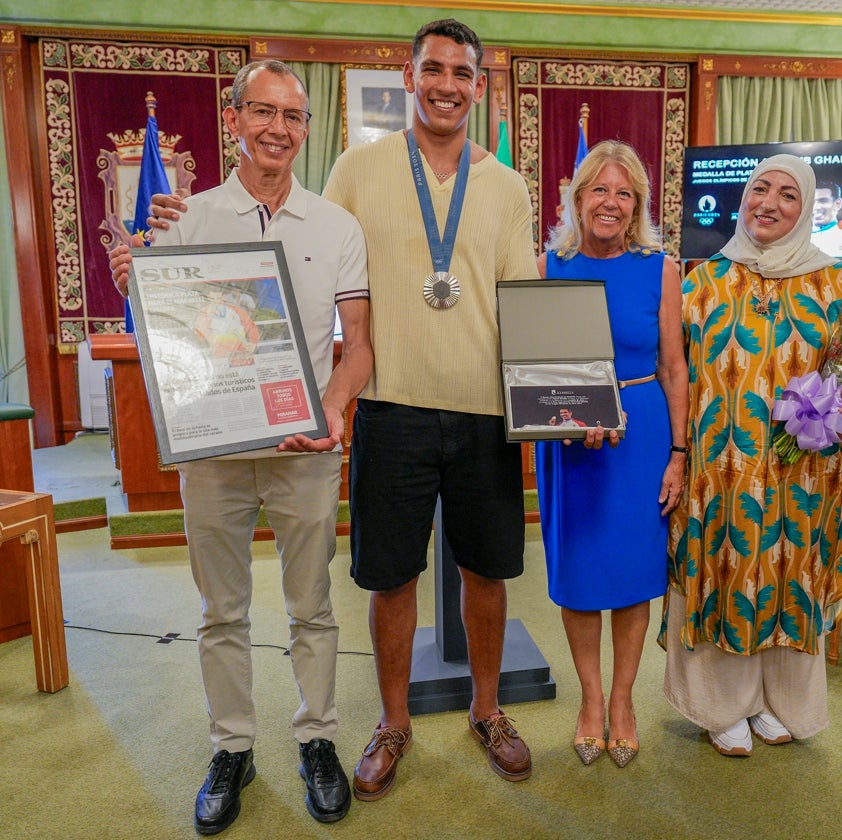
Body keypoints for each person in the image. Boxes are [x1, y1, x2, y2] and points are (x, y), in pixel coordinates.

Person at [108, 60, 371, 832]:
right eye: (263, 112)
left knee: (313, 607)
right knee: (220, 610)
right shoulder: (182, 220)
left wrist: (331, 404)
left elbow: (358, 346)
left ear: (306, 130)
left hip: (306, 449)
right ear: (234, 120)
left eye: (292, 117)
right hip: (215, 451)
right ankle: (234, 747)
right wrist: (134, 276)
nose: (277, 130)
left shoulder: (337, 225)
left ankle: (316, 738)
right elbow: (166, 336)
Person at [323, 18, 537, 799]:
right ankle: (393, 721)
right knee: (391, 577)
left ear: (479, 87)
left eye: (463, 73)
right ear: (408, 77)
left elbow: (523, 305)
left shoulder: (508, 186)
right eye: (434, 69)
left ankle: (488, 710)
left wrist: (560, 393)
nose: (448, 84)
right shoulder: (357, 169)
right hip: (390, 407)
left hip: (485, 413)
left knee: (487, 572)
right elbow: (318, 272)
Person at [661, 154, 842, 758]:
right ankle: (722, 706)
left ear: (807, 207)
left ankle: (780, 702)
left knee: (790, 573)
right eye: (759, 188)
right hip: (720, 468)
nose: (768, 202)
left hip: (805, 472)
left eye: (788, 194)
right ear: (742, 200)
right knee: (726, 567)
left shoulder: (839, 284)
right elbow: (669, 371)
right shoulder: (700, 281)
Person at [534, 140, 688, 768]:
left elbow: (674, 367)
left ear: (638, 205)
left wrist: (678, 453)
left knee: (630, 576)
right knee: (579, 577)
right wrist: (561, 417)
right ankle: (589, 701)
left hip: (642, 430)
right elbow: (536, 365)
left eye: (625, 193)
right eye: (600, 189)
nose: (612, 203)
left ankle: (623, 702)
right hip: (570, 443)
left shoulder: (662, 267)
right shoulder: (549, 265)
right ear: (578, 196)